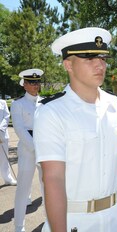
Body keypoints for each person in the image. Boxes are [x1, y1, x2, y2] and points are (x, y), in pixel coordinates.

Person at [33, 27, 117, 232]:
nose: (100, 65)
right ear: (68, 64)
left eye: (103, 58)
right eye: (89, 58)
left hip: (116, 218)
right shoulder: (52, 112)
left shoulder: (116, 105)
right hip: (75, 220)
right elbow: (53, 179)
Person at [11, 68, 44, 232]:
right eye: (31, 82)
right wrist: (35, 148)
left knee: (48, 187)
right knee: (23, 189)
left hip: (46, 149)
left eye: (37, 82)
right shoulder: (18, 104)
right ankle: (19, 226)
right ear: (24, 84)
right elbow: (19, 129)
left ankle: (50, 222)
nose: (35, 85)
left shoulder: (45, 102)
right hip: (27, 150)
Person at [0, 99, 17, 185]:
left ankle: (8, 179)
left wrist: (0, 129)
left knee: (4, 158)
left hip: (2, 134)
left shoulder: (3, 102)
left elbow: (6, 116)